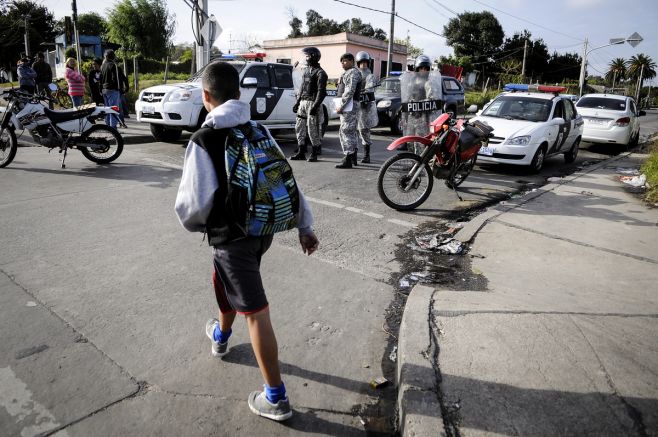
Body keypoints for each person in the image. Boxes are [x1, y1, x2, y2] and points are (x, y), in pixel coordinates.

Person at [174, 61, 320, 422]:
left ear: (206, 96)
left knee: (256, 313)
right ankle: (221, 335)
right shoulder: (259, 129)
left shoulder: (204, 139)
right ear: (239, 94)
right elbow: (286, 178)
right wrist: (304, 224)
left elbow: (193, 204)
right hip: (263, 230)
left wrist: (201, 227)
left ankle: (276, 398)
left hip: (231, 237)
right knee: (223, 279)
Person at [290, 47, 327, 163]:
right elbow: (302, 87)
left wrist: (315, 106)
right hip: (303, 102)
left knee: (312, 129)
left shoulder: (321, 73)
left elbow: (322, 92)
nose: (305, 58)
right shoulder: (306, 71)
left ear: (313, 56)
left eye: (307, 56)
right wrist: (297, 102)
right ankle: (301, 151)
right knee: (299, 126)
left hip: (313, 102)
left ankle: (314, 153)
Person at [335, 53, 362, 169]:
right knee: (349, 131)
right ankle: (352, 155)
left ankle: (348, 158)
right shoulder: (347, 73)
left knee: (346, 131)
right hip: (347, 105)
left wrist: (341, 105)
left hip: (349, 105)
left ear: (352, 61)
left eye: (345, 61)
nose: (342, 63)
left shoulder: (353, 72)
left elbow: (350, 91)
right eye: (341, 61)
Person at [355, 51, 378, 164]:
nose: (363, 65)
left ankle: (366, 156)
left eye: (365, 63)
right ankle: (352, 154)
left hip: (364, 107)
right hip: (354, 107)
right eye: (361, 63)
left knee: (364, 131)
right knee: (352, 131)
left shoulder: (370, 76)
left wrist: (362, 92)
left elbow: (369, 90)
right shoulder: (355, 74)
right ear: (358, 63)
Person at [101, 49, 122, 128]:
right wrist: (119, 89)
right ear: (113, 56)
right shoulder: (113, 65)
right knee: (113, 110)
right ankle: (113, 129)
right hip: (112, 90)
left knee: (107, 110)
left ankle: (108, 128)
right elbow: (116, 78)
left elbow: (101, 78)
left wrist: (101, 89)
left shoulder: (103, 65)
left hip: (104, 90)